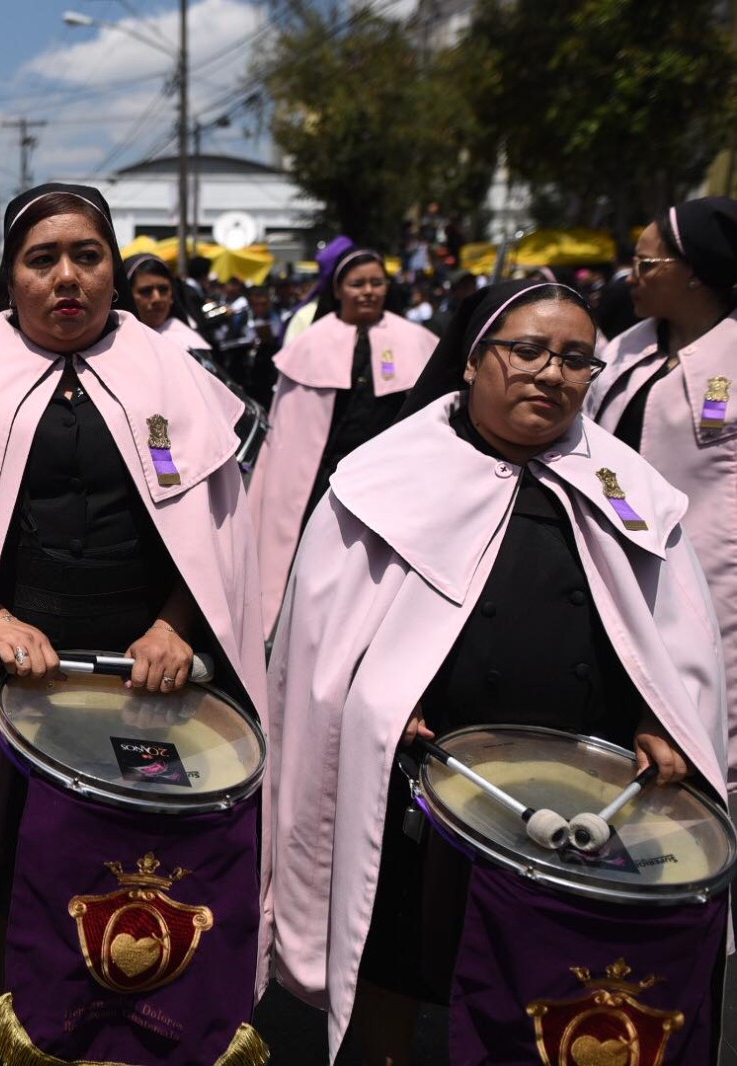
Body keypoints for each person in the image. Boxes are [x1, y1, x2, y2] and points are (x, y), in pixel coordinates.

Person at [266, 279, 728, 1064]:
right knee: (396, 963)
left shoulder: (631, 493)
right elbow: (321, 650)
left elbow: (668, 645)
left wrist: (659, 719)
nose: (551, 374)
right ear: (476, 361)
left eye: (577, 359)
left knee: (550, 982)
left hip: (582, 794)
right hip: (421, 784)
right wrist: (377, 708)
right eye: (529, 351)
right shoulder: (381, 481)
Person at [0, 183, 269, 1060]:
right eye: (41, 259)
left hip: (156, 676)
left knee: (145, 890)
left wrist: (177, 627)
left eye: (86, 256)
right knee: (2, 886)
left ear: (114, 269)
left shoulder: (174, 375)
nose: (66, 278)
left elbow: (216, 536)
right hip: (10, 674)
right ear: (8, 277)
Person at [588, 196, 737, 782]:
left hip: (710, 581)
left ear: (697, 273)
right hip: (608, 558)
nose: (633, 278)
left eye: (648, 265)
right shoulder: (625, 347)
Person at [248, 248, 439, 637]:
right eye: (357, 284)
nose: (368, 291)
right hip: (323, 482)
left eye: (376, 282)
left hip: (390, 480)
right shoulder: (309, 344)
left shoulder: (417, 340)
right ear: (338, 290)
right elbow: (289, 428)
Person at [126, 253, 211, 354]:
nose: (157, 298)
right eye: (146, 291)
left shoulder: (191, 344)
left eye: (163, 290)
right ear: (128, 295)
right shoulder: (117, 345)